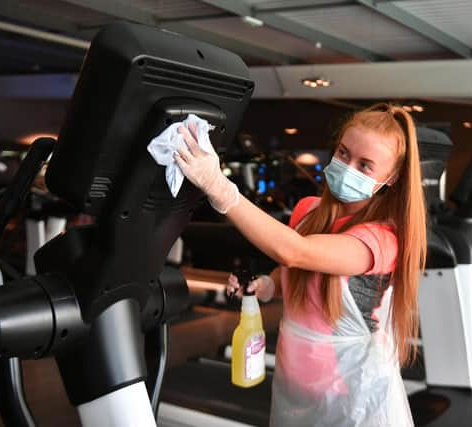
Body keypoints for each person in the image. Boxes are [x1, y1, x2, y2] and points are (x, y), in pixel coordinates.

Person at [174, 103, 427, 427]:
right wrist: (268, 286)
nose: (348, 166)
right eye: (344, 153)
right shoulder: (309, 210)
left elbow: (295, 252)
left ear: (390, 177)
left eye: (365, 165)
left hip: (353, 392)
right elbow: (294, 271)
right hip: (295, 378)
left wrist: (220, 188)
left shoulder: (381, 240)